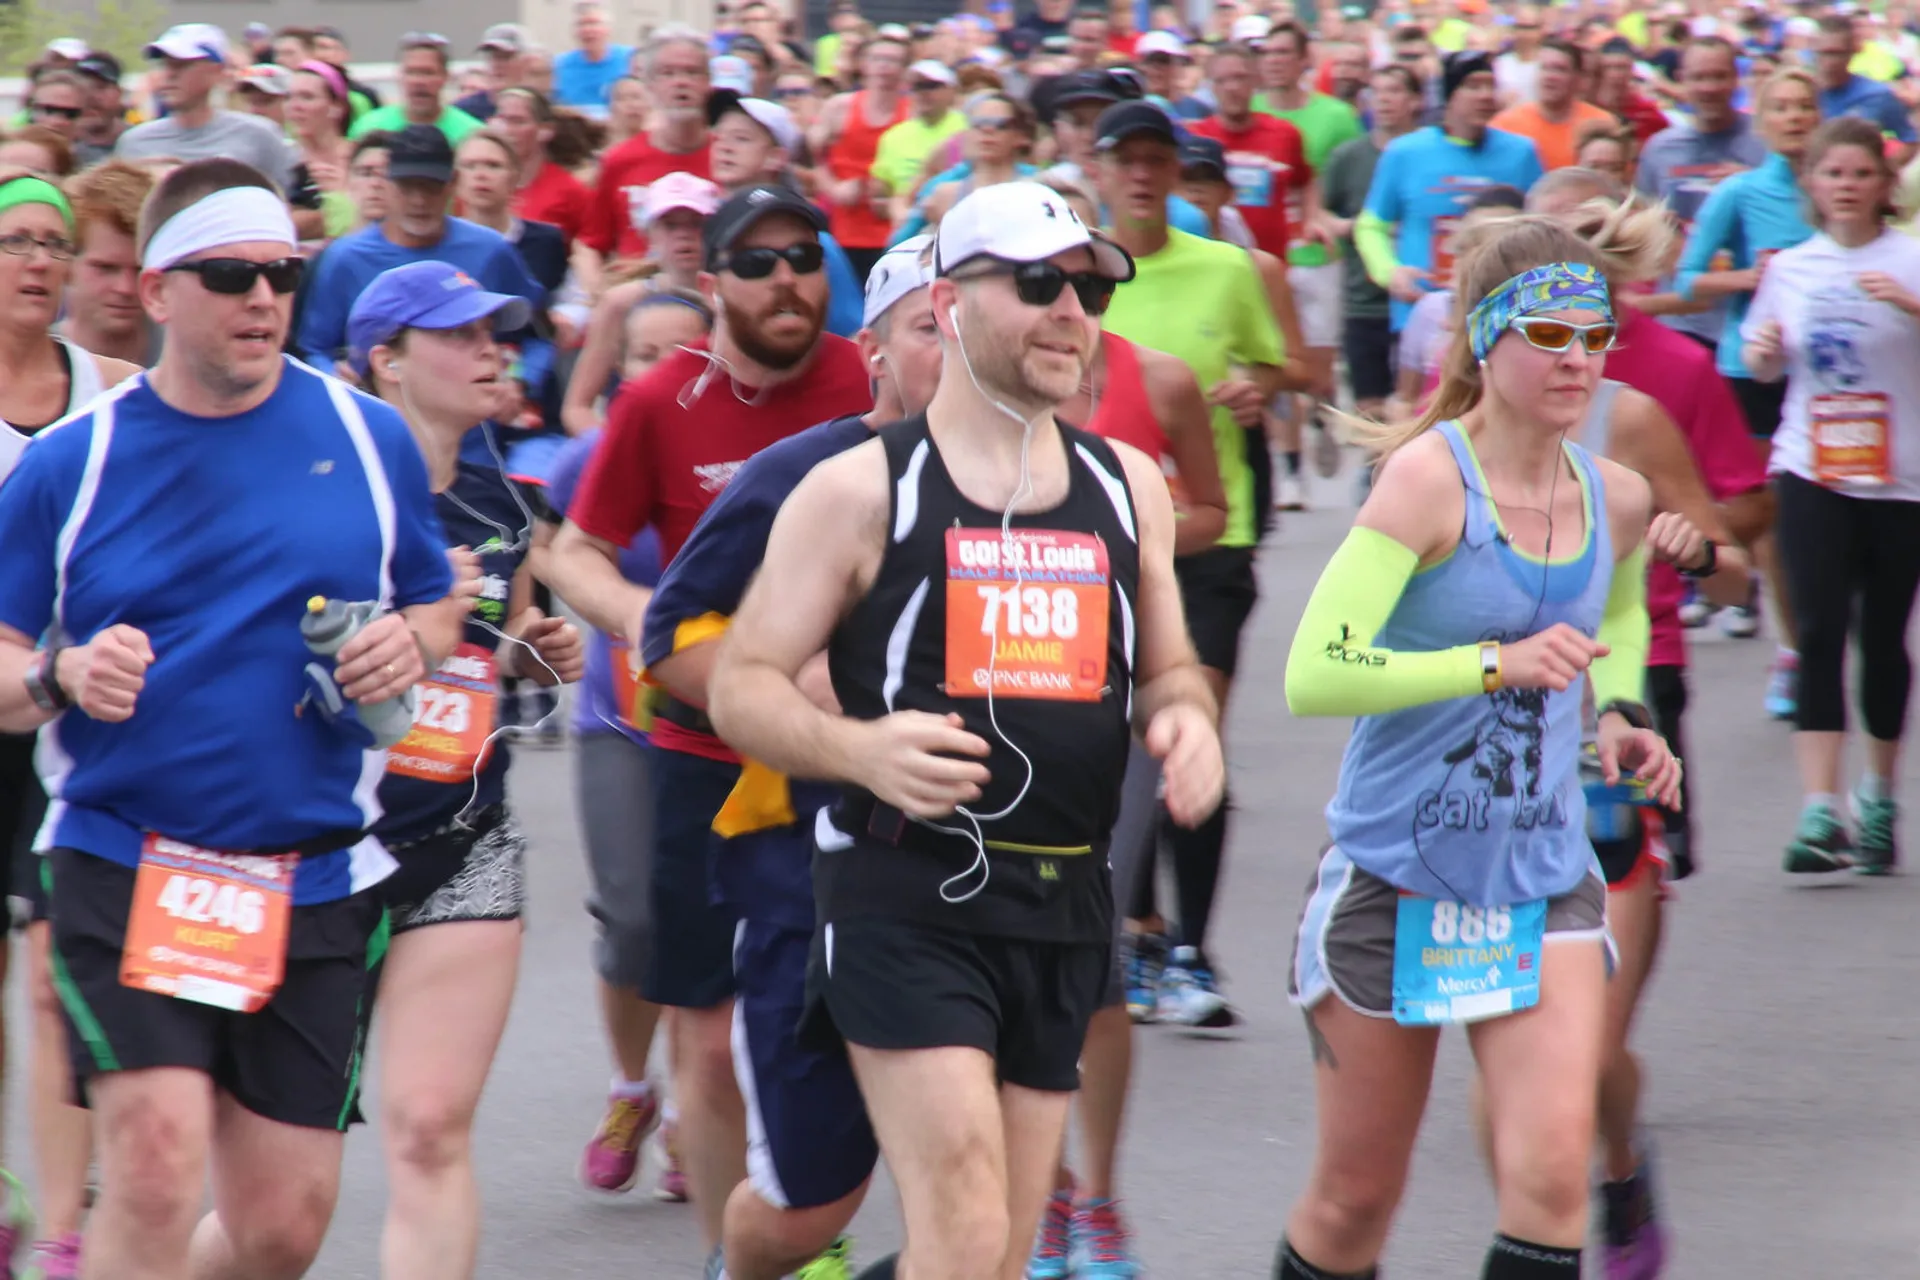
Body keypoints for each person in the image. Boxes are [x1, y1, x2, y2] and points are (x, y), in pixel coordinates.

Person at [706, 177, 1223, 1280]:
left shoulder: (1131, 485)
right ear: (947, 302)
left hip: (1066, 900)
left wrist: (1189, 723)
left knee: (998, 1253)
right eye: (1038, 283)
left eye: (1087, 288)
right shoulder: (854, 491)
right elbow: (741, 682)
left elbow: (1170, 668)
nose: (1072, 312)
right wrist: (858, 749)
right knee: (967, 1228)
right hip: (906, 892)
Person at [0, 157, 464, 1280]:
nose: (263, 298)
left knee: (280, 1225)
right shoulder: (74, 461)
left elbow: (435, 594)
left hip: (307, 867)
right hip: (129, 853)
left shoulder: (367, 435)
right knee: (155, 1163)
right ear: (158, 291)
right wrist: (62, 676)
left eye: (281, 274)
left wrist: (416, 639)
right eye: (229, 274)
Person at [1278, 214, 1679, 1280]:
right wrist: (1491, 664)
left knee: (1551, 1182)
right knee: (1354, 1199)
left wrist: (1622, 711)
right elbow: (1314, 668)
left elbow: (1622, 608)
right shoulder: (1426, 481)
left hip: (1542, 875)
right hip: (1394, 874)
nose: (1578, 359)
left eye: (1594, 335)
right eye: (1549, 332)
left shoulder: (1616, 494)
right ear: (1484, 340)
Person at [544, 183, 872, 1274]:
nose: (787, 277)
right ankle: (743, 1252)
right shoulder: (662, 402)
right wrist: (650, 618)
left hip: (851, 757)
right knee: (710, 1031)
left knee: (857, 1014)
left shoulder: (867, 381)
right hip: (705, 760)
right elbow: (572, 552)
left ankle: (804, 1214)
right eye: (759, 260)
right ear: (714, 280)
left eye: (803, 255)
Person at [639, 237, 947, 1280]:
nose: (955, 348)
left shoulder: (1054, 485)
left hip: (986, 884)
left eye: (970, 321)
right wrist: (793, 686)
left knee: (986, 1197)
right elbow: (671, 637)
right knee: (809, 1209)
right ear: (875, 350)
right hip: (805, 878)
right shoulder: (801, 474)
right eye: (927, 327)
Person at [341, 261, 584, 1280]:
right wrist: (412, 630)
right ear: (387, 363)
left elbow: (497, 643)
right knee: (278, 1204)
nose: (494, 349)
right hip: (318, 853)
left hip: (461, 839)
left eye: (499, 330)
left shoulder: (501, 497)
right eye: (464, 334)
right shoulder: (327, 491)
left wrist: (525, 646)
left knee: (432, 1129)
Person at [1094, 99, 1287, 1026]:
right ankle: (1133, 934)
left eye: (1155, 160)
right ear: (1096, 170)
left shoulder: (1228, 270)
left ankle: (1191, 958)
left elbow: (1285, 367)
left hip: (1211, 539)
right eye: (1123, 159)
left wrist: (1261, 386)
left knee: (1186, 731)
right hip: (1089, 551)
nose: (1140, 174)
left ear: (1178, 173)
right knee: (1121, 750)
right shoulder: (1072, 275)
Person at [535, 292, 705, 1204]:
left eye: (686, 351)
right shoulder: (586, 457)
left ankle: (692, 1115)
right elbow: (549, 554)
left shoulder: (747, 460)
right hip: (621, 724)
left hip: (725, 726)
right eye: (646, 353)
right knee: (633, 918)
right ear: (621, 371)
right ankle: (633, 1090)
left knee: (706, 919)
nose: (667, 368)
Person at [1742, 116, 1920, 875]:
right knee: (1816, 631)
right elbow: (1760, 364)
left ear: (1885, 186)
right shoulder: (1792, 268)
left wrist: (1912, 308)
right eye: (1833, 174)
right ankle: (1821, 812)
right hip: (1812, 468)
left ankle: (1877, 797)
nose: (1847, 187)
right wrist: (1763, 351)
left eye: (1861, 174)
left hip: (1901, 478)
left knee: (1881, 642)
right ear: (1811, 184)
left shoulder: (1911, 260)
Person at [1675, 66, 1818, 717]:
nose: (1793, 117)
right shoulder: (1740, 192)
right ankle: (1794, 653)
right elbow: (1689, 280)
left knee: (1828, 515)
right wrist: (1754, 281)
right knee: (1773, 517)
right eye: (1780, 107)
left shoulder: (1842, 189)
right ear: (1762, 121)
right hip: (1752, 369)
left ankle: (1825, 632)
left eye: (1804, 106)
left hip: (1829, 374)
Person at [296, 125, 545, 381]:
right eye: (407, 187)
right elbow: (313, 348)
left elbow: (536, 337)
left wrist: (521, 382)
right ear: (387, 185)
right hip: (380, 409)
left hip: (471, 408)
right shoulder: (344, 258)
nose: (419, 200)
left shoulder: (491, 249)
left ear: (453, 184)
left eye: (431, 187)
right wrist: (336, 380)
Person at [1354, 50, 1544, 338]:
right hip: (1420, 311)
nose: (1484, 95)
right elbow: (1371, 225)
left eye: (1490, 85)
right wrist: (1390, 272)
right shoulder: (1405, 152)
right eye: (1472, 86)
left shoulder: (1522, 152)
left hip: (1501, 316)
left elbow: (1544, 229)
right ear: (1449, 95)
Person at [561, 173, 721, 436]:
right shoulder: (619, 303)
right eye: (670, 225)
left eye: (696, 224)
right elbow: (577, 408)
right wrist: (615, 451)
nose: (684, 236)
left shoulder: (733, 299)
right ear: (648, 233)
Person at [1322, 64, 1422, 423]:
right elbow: (1320, 214)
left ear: (1415, 100)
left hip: (1418, 303)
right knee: (1370, 406)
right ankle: (1376, 474)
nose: (1383, 100)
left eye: (1393, 91)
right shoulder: (1348, 156)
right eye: (1376, 92)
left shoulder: (1426, 152)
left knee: (1413, 405)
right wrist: (1358, 229)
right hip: (1363, 301)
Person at [578, 26, 713, 287]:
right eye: (667, 73)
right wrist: (596, 294)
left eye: (691, 72)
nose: (680, 82)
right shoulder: (619, 160)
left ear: (708, 82)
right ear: (649, 85)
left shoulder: (729, 156)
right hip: (633, 295)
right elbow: (590, 244)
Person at [116, 25, 297, 196]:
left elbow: (286, 208)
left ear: (216, 71)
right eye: (164, 65)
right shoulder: (134, 143)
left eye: (181, 65)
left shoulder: (259, 136)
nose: (170, 74)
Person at [815, 32, 912, 281]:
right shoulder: (839, 107)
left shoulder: (912, 112)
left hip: (895, 231)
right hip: (847, 230)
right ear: (863, 64)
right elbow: (815, 161)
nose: (884, 66)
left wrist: (896, 196)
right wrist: (835, 189)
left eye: (894, 61)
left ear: (904, 69)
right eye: (878, 58)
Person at [59, 161, 159, 368]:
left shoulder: (192, 359)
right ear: (66, 263)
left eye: (140, 270)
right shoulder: (27, 356)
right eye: (106, 268)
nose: (126, 288)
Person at [492, 88, 593, 251]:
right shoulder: (478, 185)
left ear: (545, 130)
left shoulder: (570, 190)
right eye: (501, 120)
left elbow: (590, 246)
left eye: (517, 121)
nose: (507, 130)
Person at [1812, 15, 1916, 166]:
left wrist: (1881, 173)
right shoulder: (1804, 93)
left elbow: (1910, 140)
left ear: (1853, 52)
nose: (1829, 62)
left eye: (1837, 53)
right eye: (1822, 53)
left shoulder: (1877, 95)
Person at [349, 34, 484, 146]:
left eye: (427, 73)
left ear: (445, 77)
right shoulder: (370, 127)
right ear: (399, 76)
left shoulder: (471, 133)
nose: (419, 82)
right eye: (411, 72)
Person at [555, 3, 636, 117]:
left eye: (594, 23)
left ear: (608, 29)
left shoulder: (631, 59)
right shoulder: (559, 65)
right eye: (581, 24)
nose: (588, 30)